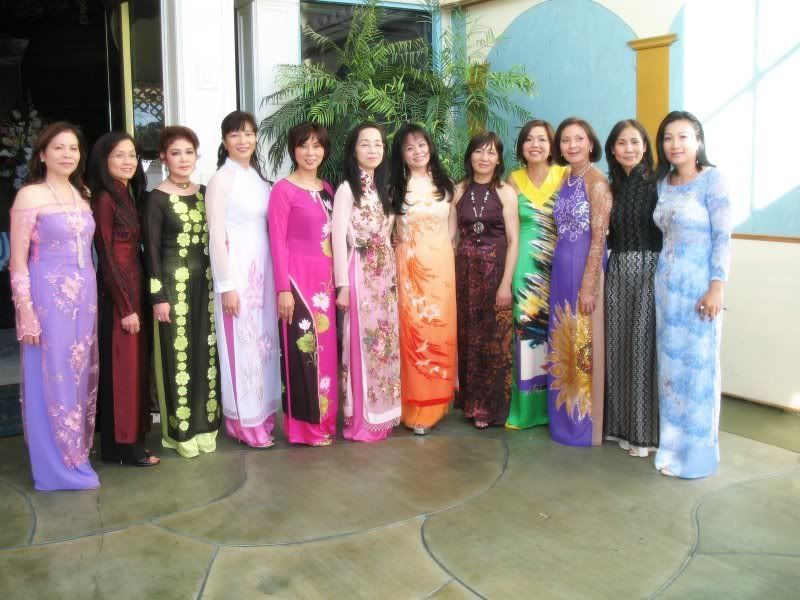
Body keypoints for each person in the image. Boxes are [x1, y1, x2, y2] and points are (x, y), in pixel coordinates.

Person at [10, 122, 100, 490]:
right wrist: (25, 312)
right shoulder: (29, 195)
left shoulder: (82, 193)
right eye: (59, 147)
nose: (67, 154)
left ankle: (76, 454)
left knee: (77, 373)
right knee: (51, 373)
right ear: (43, 154)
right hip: (47, 300)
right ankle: (53, 467)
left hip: (84, 299)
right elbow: (17, 262)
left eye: (73, 148)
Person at [653, 111, 731, 479]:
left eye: (683, 136)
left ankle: (698, 456)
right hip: (666, 289)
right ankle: (672, 449)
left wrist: (717, 286)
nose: (675, 144)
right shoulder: (663, 184)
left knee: (698, 370)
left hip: (700, 289)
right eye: (668, 138)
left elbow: (723, 237)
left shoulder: (713, 180)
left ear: (697, 140)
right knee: (671, 372)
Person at [143, 126, 221, 458]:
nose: (183, 159)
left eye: (189, 152)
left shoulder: (205, 192)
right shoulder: (156, 198)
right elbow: (150, 252)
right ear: (164, 157)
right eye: (175, 153)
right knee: (179, 358)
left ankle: (207, 425)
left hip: (206, 286)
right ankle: (181, 432)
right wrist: (158, 297)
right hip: (173, 288)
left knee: (206, 355)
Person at [206, 111, 280, 448]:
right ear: (225, 141)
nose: (243, 140)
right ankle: (243, 423)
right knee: (241, 345)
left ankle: (262, 415)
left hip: (263, 274)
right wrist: (226, 286)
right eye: (235, 134)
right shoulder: (221, 180)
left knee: (263, 346)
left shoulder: (260, 180)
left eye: (249, 133)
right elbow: (216, 236)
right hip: (236, 274)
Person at [88, 132, 158, 466]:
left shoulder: (128, 194)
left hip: (136, 289)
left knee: (135, 369)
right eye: (119, 155)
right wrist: (126, 306)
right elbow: (105, 254)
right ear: (104, 160)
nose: (128, 161)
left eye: (132, 155)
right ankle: (124, 447)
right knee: (123, 371)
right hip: (119, 298)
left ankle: (129, 442)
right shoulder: (106, 198)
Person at [268, 122, 338, 446]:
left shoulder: (328, 189)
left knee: (326, 354)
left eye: (317, 146)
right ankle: (304, 429)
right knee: (302, 353)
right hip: (297, 284)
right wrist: (283, 289)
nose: (311, 152)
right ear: (293, 150)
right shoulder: (283, 190)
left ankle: (326, 421)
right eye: (303, 145)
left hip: (325, 284)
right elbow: (277, 242)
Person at [332, 123, 401, 441]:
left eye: (378, 144)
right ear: (353, 150)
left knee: (383, 347)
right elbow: (337, 239)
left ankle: (381, 415)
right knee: (362, 345)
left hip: (385, 278)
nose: (373, 149)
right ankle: (360, 420)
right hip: (360, 274)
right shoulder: (347, 190)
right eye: (365, 144)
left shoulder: (384, 189)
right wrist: (342, 285)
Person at [547, 118, 611, 447]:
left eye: (579, 139)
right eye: (566, 140)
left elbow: (599, 239)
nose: (572, 145)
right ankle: (562, 419)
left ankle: (582, 425)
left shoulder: (597, 183)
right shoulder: (565, 178)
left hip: (584, 268)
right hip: (561, 266)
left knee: (582, 342)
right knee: (562, 338)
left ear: (591, 143)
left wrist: (589, 287)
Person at [603, 119, 661, 457]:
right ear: (612, 149)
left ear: (645, 146)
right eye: (622, 143)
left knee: (641, 350)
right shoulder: (616, 186)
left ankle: (643, 434)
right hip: (618, 272)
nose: (629, 149)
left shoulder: (656, 183)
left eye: (635, 142)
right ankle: (620, 428)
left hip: (648, 272)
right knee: (618, 347)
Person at [453, 131, 519, 428]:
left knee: (495, 341)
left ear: (499, 159)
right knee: (469, 338)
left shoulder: (505, 192)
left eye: (491, 152)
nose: (484, 158)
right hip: (465, 275)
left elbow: (513, 241)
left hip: (495, 274)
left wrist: (505, 283)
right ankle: (471, 404)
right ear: (470, 156)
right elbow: (451, 237)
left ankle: (491, 408)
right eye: (479, 151)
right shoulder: (458, 190)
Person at [505, 120, 567, 430]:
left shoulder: (565, 175)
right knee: (527, 334)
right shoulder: (513, 180)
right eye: (529, 139)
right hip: (526, 268)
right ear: (521, 146)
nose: (535, 145)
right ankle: (528, 410)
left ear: (551, 145)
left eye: (542, 139)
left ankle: (558, 409)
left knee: (558, 329)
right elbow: (510, 231)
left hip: (560, 265)